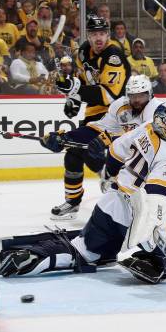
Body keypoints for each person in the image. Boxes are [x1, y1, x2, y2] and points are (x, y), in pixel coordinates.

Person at [0, 102, 166, 285]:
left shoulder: (147, 128)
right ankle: (157, 260)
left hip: (108, 205)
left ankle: (33, 257)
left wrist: (110, 175)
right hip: (136, 218)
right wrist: (165, 238)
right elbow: (156, 198)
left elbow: (115, 151)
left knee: (84, 252)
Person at [52, 14, 130, 219]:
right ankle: (73, 201)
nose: (99, 38)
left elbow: (108, 95)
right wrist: (73, 99)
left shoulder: (114, 56)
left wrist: (74, 90)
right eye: (94, 33)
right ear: (88, 35)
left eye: (103, 33)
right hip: (93, 113)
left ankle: (111, 180)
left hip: (115, 115)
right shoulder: (84, 52)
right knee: (73, 153)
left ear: (108, 35)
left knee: (88, 149)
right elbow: (84, 80)